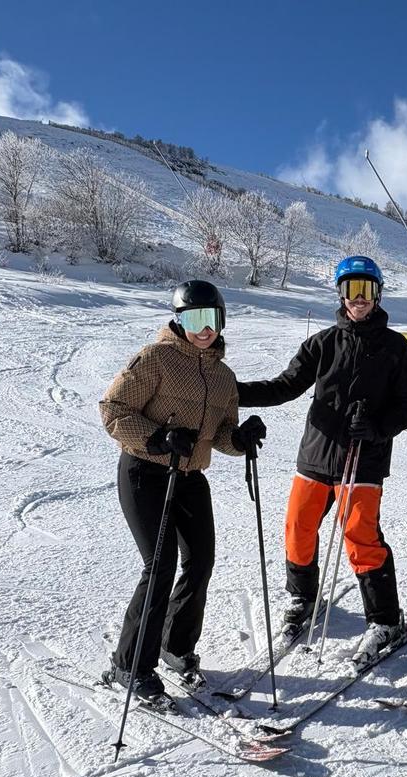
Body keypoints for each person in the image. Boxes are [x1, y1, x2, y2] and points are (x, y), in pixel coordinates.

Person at [238, 256, 407, 666]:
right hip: (316, 454)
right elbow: (284, 385)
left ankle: (386, 619)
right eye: (352, 290)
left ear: (378, 295)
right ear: (340, 294)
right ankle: (302, 597)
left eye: (367, 290)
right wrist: (232, 392)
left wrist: (375, 427)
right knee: (298, 527)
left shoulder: (395, 349)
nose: (359, 299)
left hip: (364, 460)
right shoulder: (322, 343)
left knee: (359, 536)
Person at [100, 280, 267, 706]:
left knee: (201, 561)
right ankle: (130, 663)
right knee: (159, 564)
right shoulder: (154, 358)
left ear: (220, 320)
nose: (202, 328)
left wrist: (242, 439)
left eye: (209, 318)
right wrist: (158, 438)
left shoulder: (224, 377)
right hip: (145, 470)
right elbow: (112, 410)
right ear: (178, 321)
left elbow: (222, 435)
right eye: (192, 319)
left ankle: (175, 646)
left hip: (190, 476)